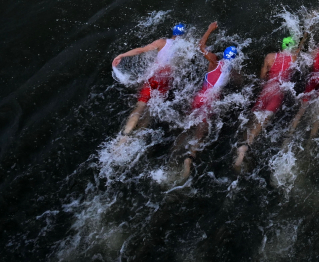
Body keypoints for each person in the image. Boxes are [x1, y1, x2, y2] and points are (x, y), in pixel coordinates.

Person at [112, 21, 204, 137]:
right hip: (165, 83)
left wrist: (122, 55)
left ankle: (125, 136)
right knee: (149, 112)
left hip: (153, 79)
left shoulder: (162, 42)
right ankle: (137, 137)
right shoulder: (185, 49)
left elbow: (141, 50)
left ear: (173, 33)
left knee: (140, 107)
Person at [234, 33, 302, 170]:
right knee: (262, 122)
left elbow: (263, 77)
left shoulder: (270, 57)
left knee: (253, 119)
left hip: (266, 90)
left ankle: (241, 144)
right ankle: (246, 147)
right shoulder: (294, 58)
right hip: (277, 93)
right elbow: (300, 48)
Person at [176, 30, 238, 179]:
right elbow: (240, 83)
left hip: (200, 96)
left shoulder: (214, 62)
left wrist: (210, 29)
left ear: (224, 54)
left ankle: (176, 148)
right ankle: (190, 157)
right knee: (200, 132)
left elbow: (200, 46)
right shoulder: (234, 72)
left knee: (188, 123)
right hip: (211, 101)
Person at [284, 29, 319, 145]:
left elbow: (310, 64)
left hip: (313, 78)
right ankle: (311, 140)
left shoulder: (316, 49)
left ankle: (289, 134)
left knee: (302, 109)